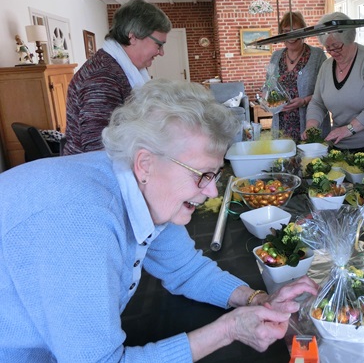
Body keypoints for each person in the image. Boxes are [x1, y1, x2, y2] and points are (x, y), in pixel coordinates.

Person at [0, 79, 318, 362]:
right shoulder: (79, 223)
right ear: (146, 164)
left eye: (215, 175)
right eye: (202, 175)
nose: (210, 191)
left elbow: (185, 269)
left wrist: (258, 299)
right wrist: (230, 329)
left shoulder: (140, 187)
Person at [302, 12, 364, 186]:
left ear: (349, 38)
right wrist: (312, 126)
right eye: (328, 48)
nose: (332, 52)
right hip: (343, 144)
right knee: (345, 191)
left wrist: (349, 128)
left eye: (337, 47)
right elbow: (317, 102)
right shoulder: (326, 67)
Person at [63, 0, 172, 155]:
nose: (161, 52)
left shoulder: (121, 68)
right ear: (132, 37)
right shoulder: (101, 78)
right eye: (159, 45)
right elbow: (99, 149)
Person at [265, 11, 328, 141]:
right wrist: (266, 98)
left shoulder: (318, 56)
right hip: (282, 125)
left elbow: (326, 91)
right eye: (286, 31)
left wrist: (304, 101)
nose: (291, 36)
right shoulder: (275, 56)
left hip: (309, 124)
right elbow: (269, 83)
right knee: (283, 159)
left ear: (304, 32)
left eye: (296, 31)